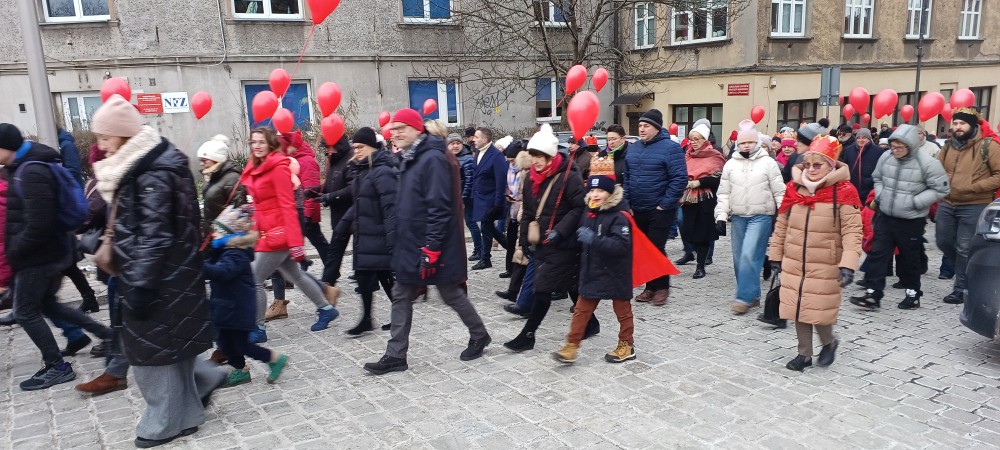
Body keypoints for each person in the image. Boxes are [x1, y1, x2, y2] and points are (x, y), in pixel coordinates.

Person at [89, 96, 225, 446]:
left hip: (157, 278)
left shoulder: (149, 172)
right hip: (171, 276)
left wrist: (141, 285)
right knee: (174, 351)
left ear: (121, 135)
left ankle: (163, 423)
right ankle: (189, 414)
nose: (99, 145)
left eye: (104, 137)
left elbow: (153, 234)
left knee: (153, 357)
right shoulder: (149, 163)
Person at [363, 109, 490, 375]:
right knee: (401, 294)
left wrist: (432, 248)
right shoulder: (411, 156)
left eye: (400, 128)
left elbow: (439, 207)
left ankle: (479, 335)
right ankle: (396, 355)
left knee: (451, 293)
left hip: (433, 244)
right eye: (392, 129)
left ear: (416, 129)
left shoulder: (432, 158)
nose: (394, 133)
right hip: (411, 242)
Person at [0, 123, 112, 391]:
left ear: (6, 147)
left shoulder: (32, 171)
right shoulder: (21, 168)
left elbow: (39, 223)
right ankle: (107, 335)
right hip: (47, 254)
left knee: (26, 312)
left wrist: (14, 251)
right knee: (49, 306)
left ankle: (57, 367)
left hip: (38, 257)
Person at [768, 135, 862, 372]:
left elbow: (853, 232)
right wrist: (776, 256)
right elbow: (781, 225)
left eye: (817, 164)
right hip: (794, 260)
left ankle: (829, 342)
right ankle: (804, 354)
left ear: (831, 165)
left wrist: (848, 264)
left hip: (826, 263)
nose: (810, 169)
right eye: (807, 164)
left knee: (818, 310)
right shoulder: (794, 188)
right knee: (798, 307)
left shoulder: (844, 191)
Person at [240, 127, 340, 343]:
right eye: (253, 142)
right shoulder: (258, 165)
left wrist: (296, 243)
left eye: (261, 142)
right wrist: (251, 211)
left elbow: (287, 206)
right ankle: (325, 308)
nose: (256, 145)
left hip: (278, 234)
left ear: (271, 144)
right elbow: (263, 201)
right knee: (295, 275)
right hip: (267, 231)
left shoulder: (277, 168)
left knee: (254, 279)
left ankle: (258, 328)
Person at [504, 124, 597, 352]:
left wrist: (560, 231)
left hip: (565, 244)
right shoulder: (530, 178)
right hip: (542, 243)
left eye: (540, 156)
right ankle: (591, 323)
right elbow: (528, 213)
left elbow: (579, 209)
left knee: (542, 289)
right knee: (572, 286)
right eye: (533, 155)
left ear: (550, 155)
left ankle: (528, 335)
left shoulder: (569, 177)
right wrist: (525, 241)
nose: (535, 160)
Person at [849, 124, 949, 310]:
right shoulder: (886, 157)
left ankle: (912, 294)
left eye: (900, 147)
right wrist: (880, 195)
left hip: (911, 219)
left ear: (910, 145)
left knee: (909, 258)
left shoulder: (927, 163)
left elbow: (941, 188)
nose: (895, 150)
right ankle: (873, 294)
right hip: (885, 215)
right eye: (893, 146)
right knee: (878, 254)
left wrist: (916, 201)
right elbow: (877, 177)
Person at [552, 176, 636, 364]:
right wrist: (558, 239)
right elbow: (580, 238)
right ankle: (571, 346)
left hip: (616, 272)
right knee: (581, 310)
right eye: (591, 190)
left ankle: (627, 344)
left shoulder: (619, 216)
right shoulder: (589, 212)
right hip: (593, 270)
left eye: (600, 191)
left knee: (622, 311)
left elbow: (622, 246)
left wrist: (594, 240)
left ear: (610, 193)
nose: (595, 194)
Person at [204, 205, 288, 386]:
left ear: (229, 235)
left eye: (217, 233)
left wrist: (200, 266)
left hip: (238, 309)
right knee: (224, 342)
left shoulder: (236, 255)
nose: (214, 235)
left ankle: (274, 358)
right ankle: (240, 370)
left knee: (241, 345)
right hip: (225, 307)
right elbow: (211, 264)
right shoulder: (222, 252)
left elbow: (222, 272)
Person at [715, 127, 785, 314]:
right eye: (743, 142)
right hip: (738, 217)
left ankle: (743, 297)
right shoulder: (730, 164)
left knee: (748, 254)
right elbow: (724, 192)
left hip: (761, 215)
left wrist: (785, 216)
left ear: (757, 143)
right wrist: (721, 215)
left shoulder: (768, 163)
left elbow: (779, 191)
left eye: (750, 142)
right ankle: (753, 295)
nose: (746, 146)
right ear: (738, 144)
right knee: (739, 259)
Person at [935, 107, 1000, 305]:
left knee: (964, 247)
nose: (957, 127)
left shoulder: (989, 145)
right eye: (955, 123)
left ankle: (961, 289)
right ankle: (968, 273)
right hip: (947, 202)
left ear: (972, 125)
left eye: (962, 123)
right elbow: (936, 168)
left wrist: (974, 187)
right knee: (943, 242)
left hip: (975, 203)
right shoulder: (948, 145)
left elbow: (998, 175)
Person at [623, 109, 687, 306]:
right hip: (637, 208)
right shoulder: (633, 148)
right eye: (640, 126)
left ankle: (662, 287)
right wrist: (627, 203)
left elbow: (679, 179)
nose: (641, 129)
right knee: (643, 250)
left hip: (659, 209)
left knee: (656, 248)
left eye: (646, 126)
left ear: (657, 128)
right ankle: (650, 287)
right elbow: (627, 177)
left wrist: (664, 204)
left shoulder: (670, 148)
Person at [339, 128, 398, 335]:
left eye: (360, 147)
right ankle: (366, 319)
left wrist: (392, 242)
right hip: (365, 234)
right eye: (354, 147)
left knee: (385, 279)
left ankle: (399, 314)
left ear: (372, 146)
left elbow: (390, 207)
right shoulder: (361, 168)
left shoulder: (382, 170)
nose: (357, 151)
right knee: (364, 277)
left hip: (379, 235)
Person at [679, 124, 725, 279]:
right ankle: (692, 255)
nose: (693, 142)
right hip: (688, 199)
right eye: (691, 139)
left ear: (705, 140)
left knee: (703, 234)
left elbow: (718, 178)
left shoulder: (715, 155)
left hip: (706, 199)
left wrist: (699, 182)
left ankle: (700, 266)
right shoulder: (688, 155)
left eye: (696, 139)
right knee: (688, 231)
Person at [316, 135, 354, 285]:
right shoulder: (334, 159)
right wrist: (314, 191)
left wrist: (330, 197)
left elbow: (352, 188)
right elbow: (330, 184)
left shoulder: (349, 159)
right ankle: (329, 281)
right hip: (338, 214)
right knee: (336, 250)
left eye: (328, 146)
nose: (326, 150)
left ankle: (328, 281)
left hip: (350, 213)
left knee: (336, 250)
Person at [470, 127, 508, 270]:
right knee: (489, 229)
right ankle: (510, 248)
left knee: (486, 228)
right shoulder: (478, 153)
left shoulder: (496, 156)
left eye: (477, 137)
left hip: (490, 200)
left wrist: (498, 204)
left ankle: (486, 259)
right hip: (480, 198)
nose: (474, 139)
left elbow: (500, 182)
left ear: (485, 139)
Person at [198, 134, 246, 236]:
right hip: (212, 235)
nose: (201, 164)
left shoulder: (232, 178)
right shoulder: (211, 176)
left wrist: (224, 233)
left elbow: (240, 209)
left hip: (227, 238)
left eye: (204, 160)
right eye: (200, 160)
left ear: (216, 159)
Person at [449, 133, 482, 262]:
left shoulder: (467, 158)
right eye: (453, 143)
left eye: (458, 143)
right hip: (454, 197)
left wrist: (463, 198)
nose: (456, 146)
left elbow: (469, 181)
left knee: (471, 223)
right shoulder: (448, 158)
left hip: (466, 198)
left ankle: (478, 249)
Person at [839, 127, 885, 204]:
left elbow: (881, 170)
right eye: (858, 138)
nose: (860, 140)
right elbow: (844, 165)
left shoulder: (878, 151)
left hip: (868, 189)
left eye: (864, 138)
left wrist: (869, 181)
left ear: (869, 139)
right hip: (852, 187)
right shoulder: (849, 150)